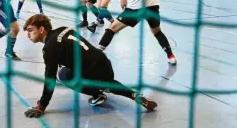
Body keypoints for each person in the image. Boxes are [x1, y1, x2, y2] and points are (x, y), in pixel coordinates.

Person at [22, 14, 158, 118]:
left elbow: (49, 79)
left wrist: (41, 106)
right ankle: (134, 94)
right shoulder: (63, 29)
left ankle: (97, 94)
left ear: (41, 29)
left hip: (89, 72)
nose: (28, 34)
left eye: (30, 30)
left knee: (62, 74)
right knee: (108, 82)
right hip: (104, 63)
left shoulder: (49, 48)